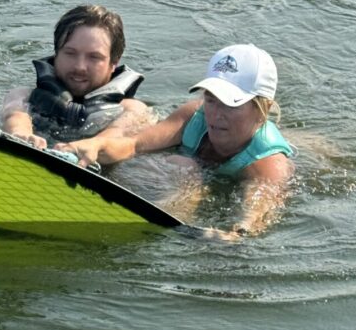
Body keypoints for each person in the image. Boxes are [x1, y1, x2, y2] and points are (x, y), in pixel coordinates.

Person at [56, 44, 294, 240]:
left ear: (263, 109)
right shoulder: (195, 116)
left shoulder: (268, 162)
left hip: (233, 170)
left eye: (231, 104)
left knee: (186, 166)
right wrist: (94, 146)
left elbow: (256, 215)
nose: (215, 114)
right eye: (211, 99)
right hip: (190, 171)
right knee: (178, 161)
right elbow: (134, 145)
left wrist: (236, 233)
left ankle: (160, 230)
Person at [0, 4, 151, 149]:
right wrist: (21, 134)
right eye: (70, 53)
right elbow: (15, 117)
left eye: (94, 57)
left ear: (113, 63)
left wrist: (96, 145)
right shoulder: (24, 96)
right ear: (56, 54)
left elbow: (117, 133)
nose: (80, 67)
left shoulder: (132, 109)